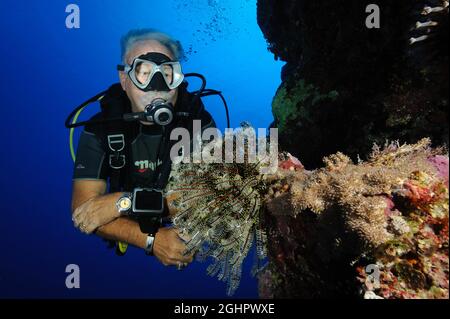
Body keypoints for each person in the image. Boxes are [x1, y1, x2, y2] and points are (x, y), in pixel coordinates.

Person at [70, 29, 216, 270]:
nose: (157, 87)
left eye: (167, 74)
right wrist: (151, 240)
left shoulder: (198, 123)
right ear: (124, 79)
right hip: (132, 222)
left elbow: (208, 196)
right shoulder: (100, 129)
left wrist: (120, 203)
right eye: (144, 73)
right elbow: (83, 212)